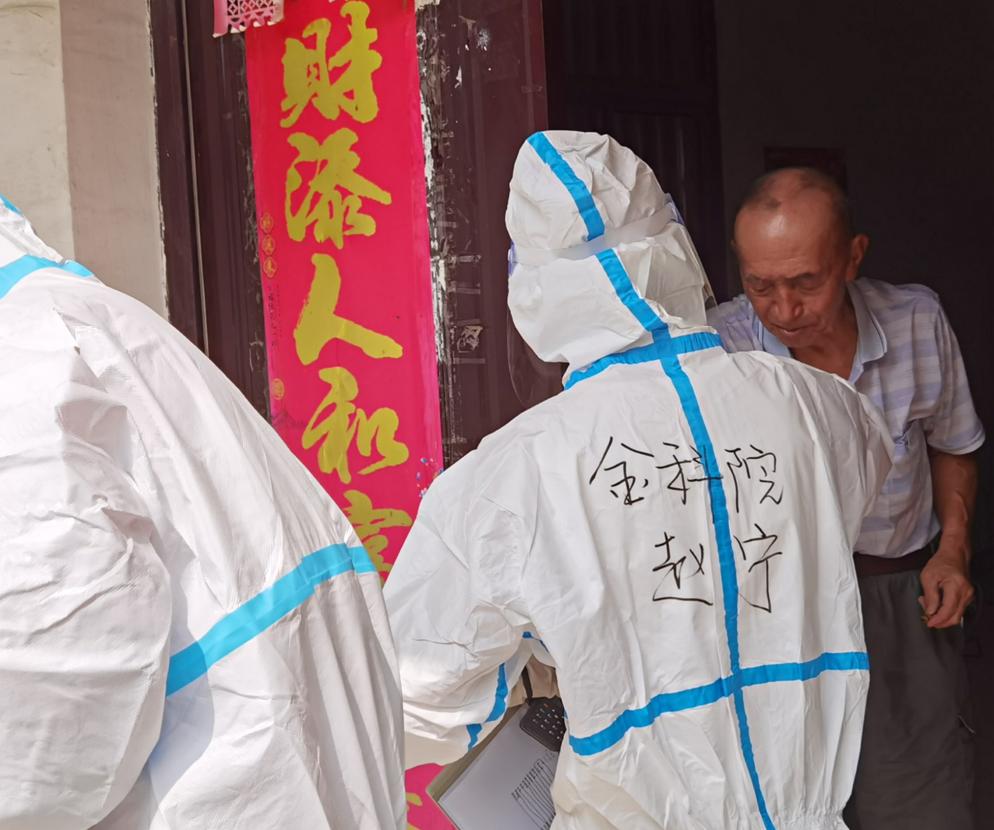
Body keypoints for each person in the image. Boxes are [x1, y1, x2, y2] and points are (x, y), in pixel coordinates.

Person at [384, 131, 892, 829]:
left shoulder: (515, 470)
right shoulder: (816, 404)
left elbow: (412, 697)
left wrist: (561, 644)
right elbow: (853, 499)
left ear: (532, 287)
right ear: (676, 247)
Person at [0, 197, 406, 829]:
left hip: (223, 792)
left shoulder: (20, 370)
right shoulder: (93, 317)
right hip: (292, 772)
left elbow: (55, 729)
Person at [708, 167, 985, 830]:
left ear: (853, 257)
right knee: (789, 796)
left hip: (898, 593)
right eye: (760, 285)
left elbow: (954, 443)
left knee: (916, 795)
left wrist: (952, 551)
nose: (783, 310)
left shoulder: (916, 320)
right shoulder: (717, 348)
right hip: (775, 607)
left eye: (806, 282)